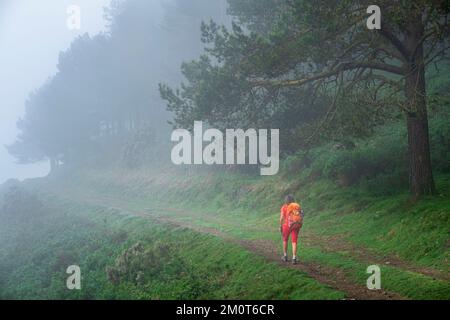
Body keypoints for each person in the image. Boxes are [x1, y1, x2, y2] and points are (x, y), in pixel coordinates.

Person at [279, 195, 303, 265]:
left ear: (286, 201)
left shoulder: (284, 207)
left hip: (286, 226)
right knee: (294, 241)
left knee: (285, 240)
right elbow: (301, 215)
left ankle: (285, 256)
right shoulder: (296, 206)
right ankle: (294, 258)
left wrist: (280, 225)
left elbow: (281, 218)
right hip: (295, 225)